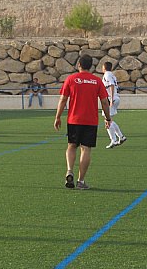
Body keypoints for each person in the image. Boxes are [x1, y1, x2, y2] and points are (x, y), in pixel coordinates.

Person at [54, 54, 111, 190]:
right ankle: (81, 181)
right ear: (91, 66)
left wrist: (57, 117)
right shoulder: (97, 81)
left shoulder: (71, 79)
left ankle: (69, 170)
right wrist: (108, 118)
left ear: (79, 64)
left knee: (71, 146)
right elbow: (104, 102)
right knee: (86, 149)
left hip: (74, 119)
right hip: (90, 121)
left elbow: (62, 100)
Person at [102, 62, 127, 149]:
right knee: (109, 120)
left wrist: (111, 99)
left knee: (107, 120)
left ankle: (114, 140)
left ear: (104, 67)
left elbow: (111, 85)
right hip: (115, 98)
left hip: (111, 99)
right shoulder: (112, 75)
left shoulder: (107, 75)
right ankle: (121, 137)